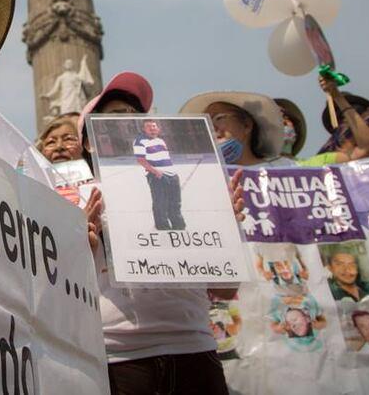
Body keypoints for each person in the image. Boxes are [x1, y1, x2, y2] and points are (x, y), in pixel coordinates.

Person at [80, 72, 243, 395]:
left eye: (136, 116)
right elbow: (62, 289)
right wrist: (79, 243)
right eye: (116, 116)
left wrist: (226, 229)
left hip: (194, 349)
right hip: (120, 358)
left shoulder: (191, 190)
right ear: (89, 140)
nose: (130, 122)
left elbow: (224, 289)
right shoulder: (80, 198)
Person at [179, 91, 288, 167]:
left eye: (219, 118)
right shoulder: (201, 175)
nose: (211, 127)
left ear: (246, 125)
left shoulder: (283, 167)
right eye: (205, 122)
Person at [133, 119, 184, 230]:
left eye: (154, 126)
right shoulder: (140, 141)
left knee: (175, 202)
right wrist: (156, 172)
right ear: (143, 129)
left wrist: (173, 172)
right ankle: (163, 227)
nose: (152, 129)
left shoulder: (161, 140)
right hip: (157, 177)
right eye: (149, 127)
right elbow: (141, 160)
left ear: (158, 129)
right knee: (160, 203)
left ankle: (179, 225)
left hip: (172, 175)